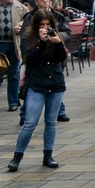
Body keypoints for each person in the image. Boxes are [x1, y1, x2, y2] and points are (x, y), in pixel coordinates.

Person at [10, 10, 67, 172]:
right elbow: (30, 59)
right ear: (36, 26)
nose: (45, 28)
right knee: (30, 123)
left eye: (48, 25)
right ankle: (17, 156)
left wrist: (58, 43)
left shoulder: (55, 36)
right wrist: (41, 43)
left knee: (51, 121)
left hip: (55, 83)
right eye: (42, 25)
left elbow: (61, 58)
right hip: (37, 84)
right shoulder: (28, 37)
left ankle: (48, 155)